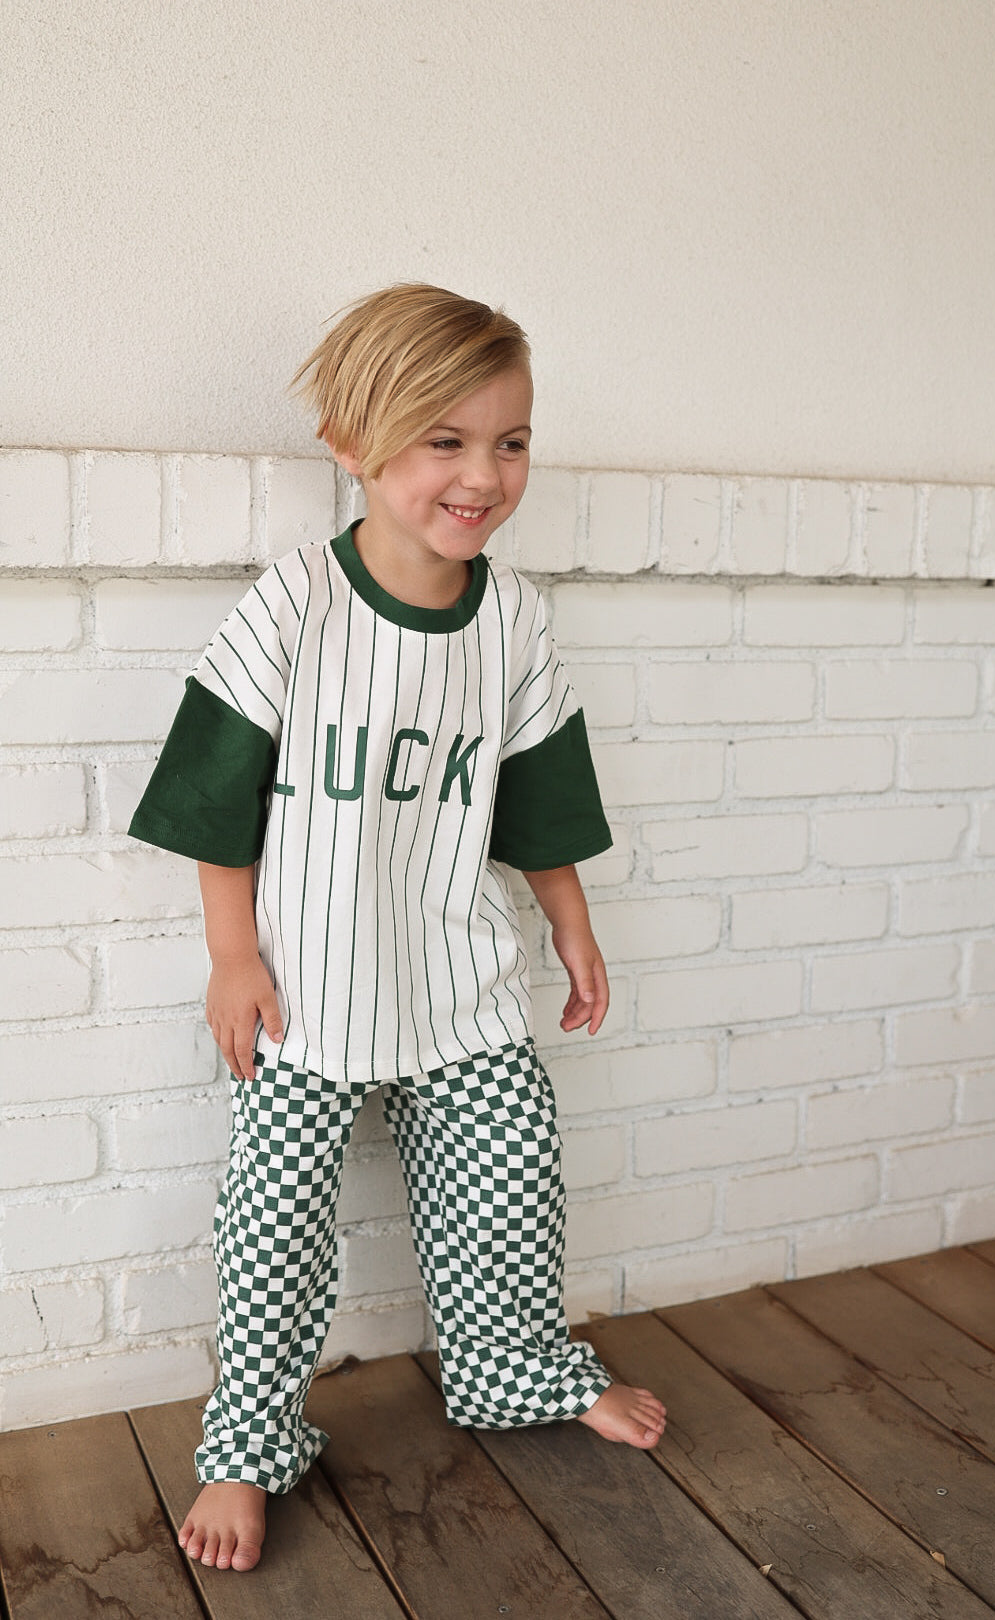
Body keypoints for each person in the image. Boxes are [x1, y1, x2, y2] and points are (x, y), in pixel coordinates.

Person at [129, 283, 666, 1574]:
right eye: (446, 440)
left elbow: (539, 794)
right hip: (308, 988)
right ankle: (245, 1445)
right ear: (352, 443)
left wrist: (574, 926)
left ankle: (516, 1367)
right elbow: (214, 796)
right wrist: (233, 956)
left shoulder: (513, 620)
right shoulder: (294, 606)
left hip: (457, 980)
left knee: (510, 1186)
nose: (483, 475)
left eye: (511, 442)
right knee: (275, 1230)